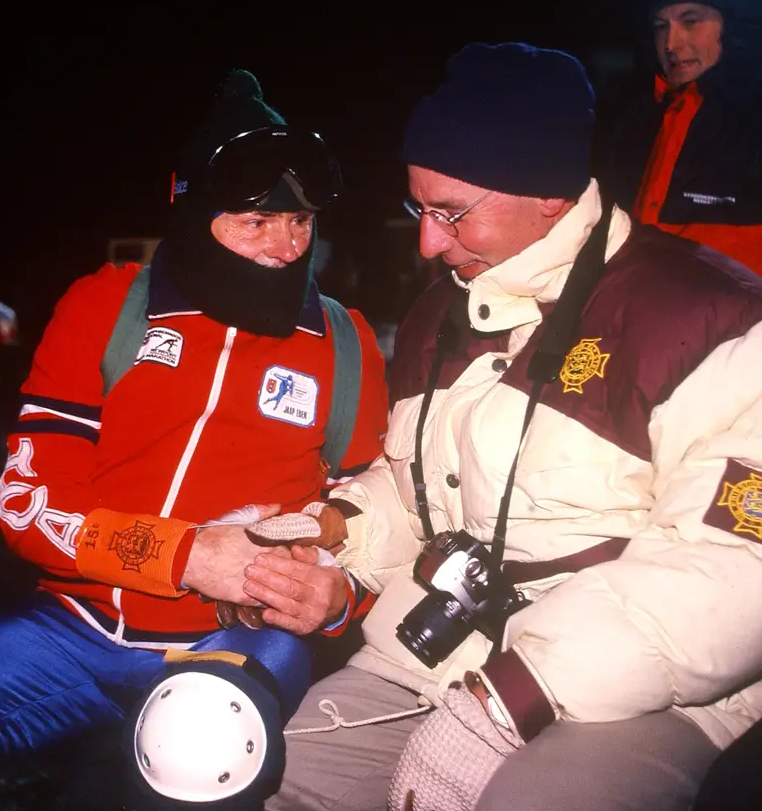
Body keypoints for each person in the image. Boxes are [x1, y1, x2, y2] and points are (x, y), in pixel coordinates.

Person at [247, 42, 762, 811]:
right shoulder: (438, 313)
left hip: (644, 695)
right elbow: (421, 490)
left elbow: (731, 573)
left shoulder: (713, 317)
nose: (427, 241)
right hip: (428, 664)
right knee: (250, 774)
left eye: (451, 211)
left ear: (550, 194)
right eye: (417, 208)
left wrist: (510, 697)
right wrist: (334, 532)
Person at [0, 69, 388, 811]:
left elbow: (378, 517)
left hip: (231, 643)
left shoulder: (344, 343)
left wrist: (339, 595)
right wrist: (186, 555)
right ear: (192, 211)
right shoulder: (107, 305)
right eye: (255, 222)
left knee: (199, 738)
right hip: (76, 627)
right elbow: (27, 504)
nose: (286, 246)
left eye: (301, 222)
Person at [602, 0, 762, 274]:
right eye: (661, 26)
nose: (672, 44)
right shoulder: (632, 122)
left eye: (690, 22)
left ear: (732, 27)